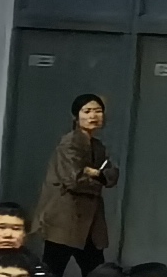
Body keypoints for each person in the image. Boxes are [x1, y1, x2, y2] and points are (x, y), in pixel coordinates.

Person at [30, 96, 113, 266]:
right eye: (87, 111)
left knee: (96, 271)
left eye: (98, 111)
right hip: (66, 216)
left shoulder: (98, 146)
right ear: (76, 116)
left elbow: (111, 174)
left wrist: (96, 174)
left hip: (89, 220)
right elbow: (74, 180)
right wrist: (99, 179)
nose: (93, 116)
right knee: (53, 269)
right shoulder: (70, 143)